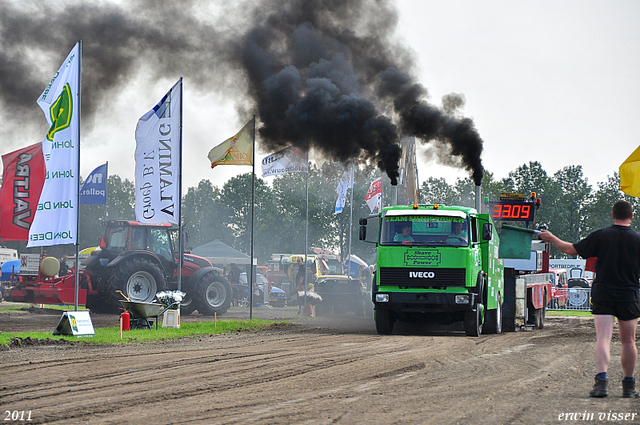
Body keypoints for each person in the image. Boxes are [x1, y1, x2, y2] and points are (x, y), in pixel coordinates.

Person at [539, 200, 640, 398]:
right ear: (631, 216)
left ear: (613, 215)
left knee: (603, 338)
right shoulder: (638, 239)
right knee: (628, 341)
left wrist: (551, 238)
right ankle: (629, 387)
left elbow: (570, 249)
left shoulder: (601, 236)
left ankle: (601, 384)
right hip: (629, 294)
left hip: (603, 293)